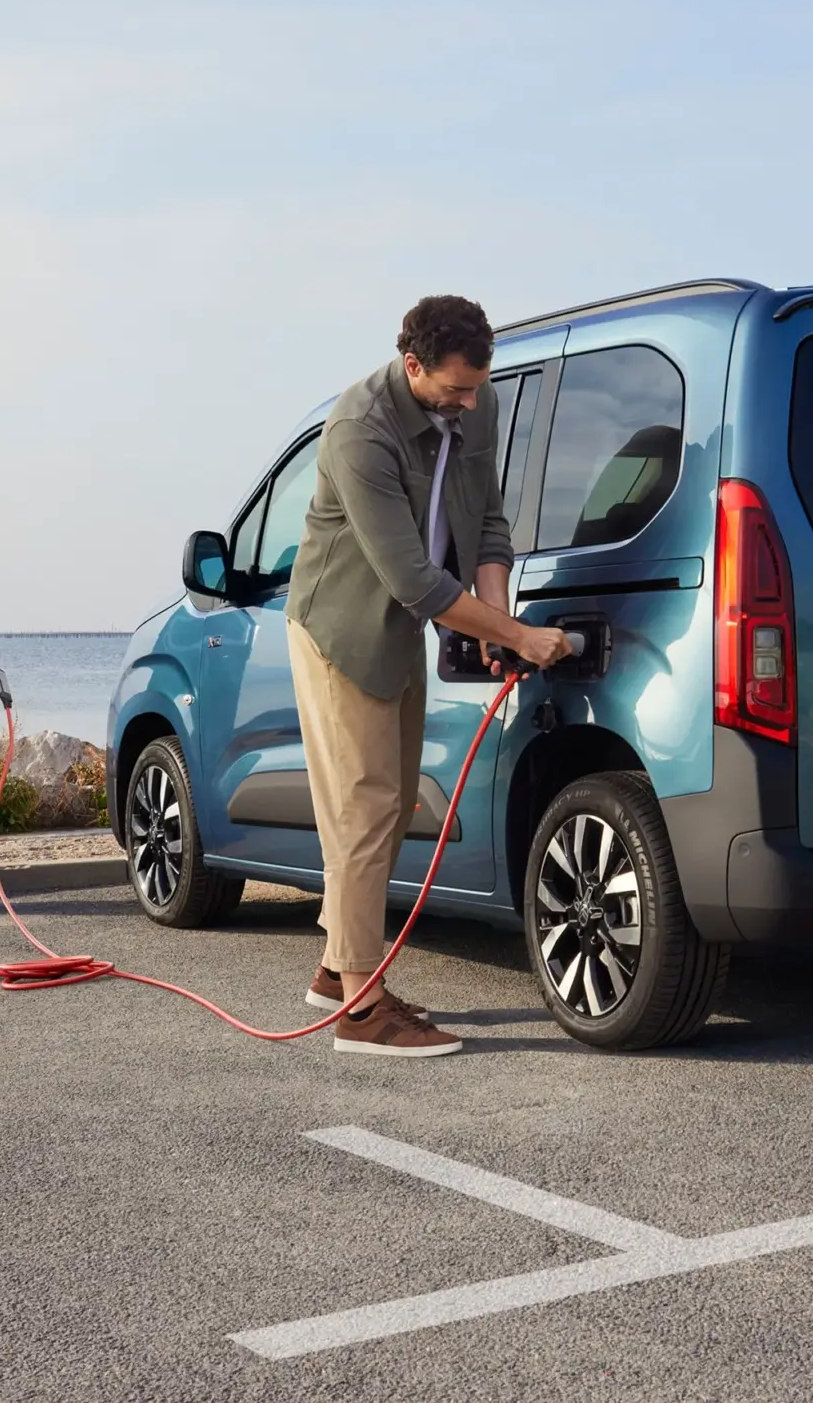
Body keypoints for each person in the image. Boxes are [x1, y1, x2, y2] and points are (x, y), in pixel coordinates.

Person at [286, 295, 572, 1058]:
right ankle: (360, 1013)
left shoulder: (476, 403)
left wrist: (495, 617)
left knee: (393, 796)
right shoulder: (358, 429)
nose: (471, 403)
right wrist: (518, 636)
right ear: (412, 366)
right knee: (367, 808)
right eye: (454, 389)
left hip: (403, 627)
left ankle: (337, 969)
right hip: (341, 630)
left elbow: (487, 522)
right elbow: (412, 577)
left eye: (478, 386)